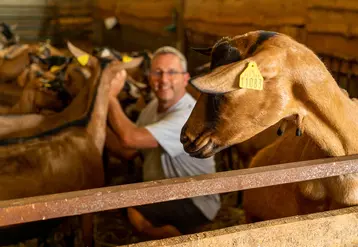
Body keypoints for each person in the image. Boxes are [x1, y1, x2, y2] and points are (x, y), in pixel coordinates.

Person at [105, 46, 221, 239]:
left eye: (172, 72)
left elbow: (129, 138)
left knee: (135, 211)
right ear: (149, 77)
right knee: (120, 200)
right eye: (157, 72)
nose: (164, 80)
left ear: (185, 79)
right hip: (164, 191)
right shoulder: (151, 109)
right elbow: (128, 150)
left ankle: (174, 239)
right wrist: (95, 126)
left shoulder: (187, 115)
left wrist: (109, 98)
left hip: (194, 200)